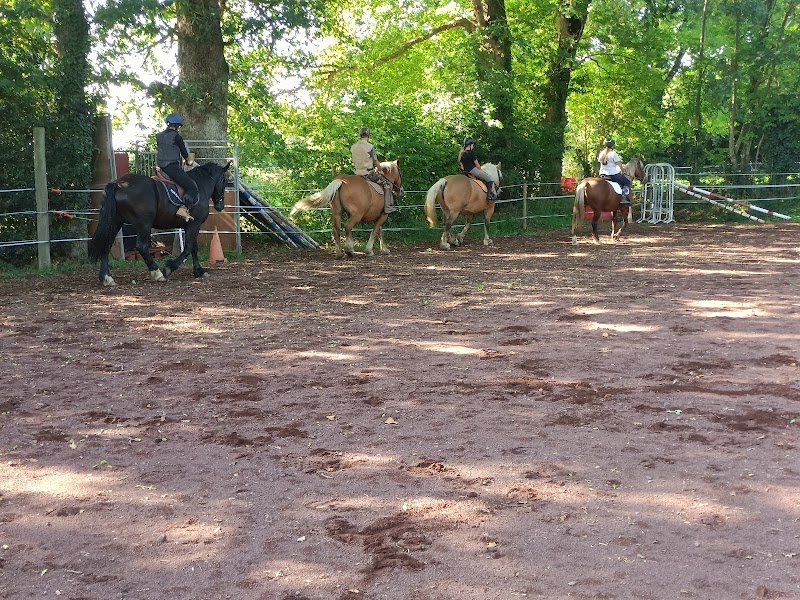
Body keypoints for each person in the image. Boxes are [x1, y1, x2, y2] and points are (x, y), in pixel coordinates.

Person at [156, 113, 199, 221]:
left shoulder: (159, 136)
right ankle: (183, 208)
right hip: (172, 168)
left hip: (160, 168)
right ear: (177, 126)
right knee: (192, 187)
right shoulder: (177, 137)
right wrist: (189, 162)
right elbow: (185, 155)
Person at [350, 127, 396, 213]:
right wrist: (380, 170)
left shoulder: (353, 147)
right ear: (368, 135)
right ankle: (388, 207)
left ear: (360, 135)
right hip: (368, 173)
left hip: (356, 173)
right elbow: (375, 161)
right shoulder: (369, 147)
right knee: (387, 184)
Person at [597, 139, 631, 205]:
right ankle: (623, 197)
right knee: (627, 182)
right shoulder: (613, 154)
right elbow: (619, 164)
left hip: (602, 174)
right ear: (613, 146)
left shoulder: (601, 153)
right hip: (612, 174)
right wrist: (622, 170)